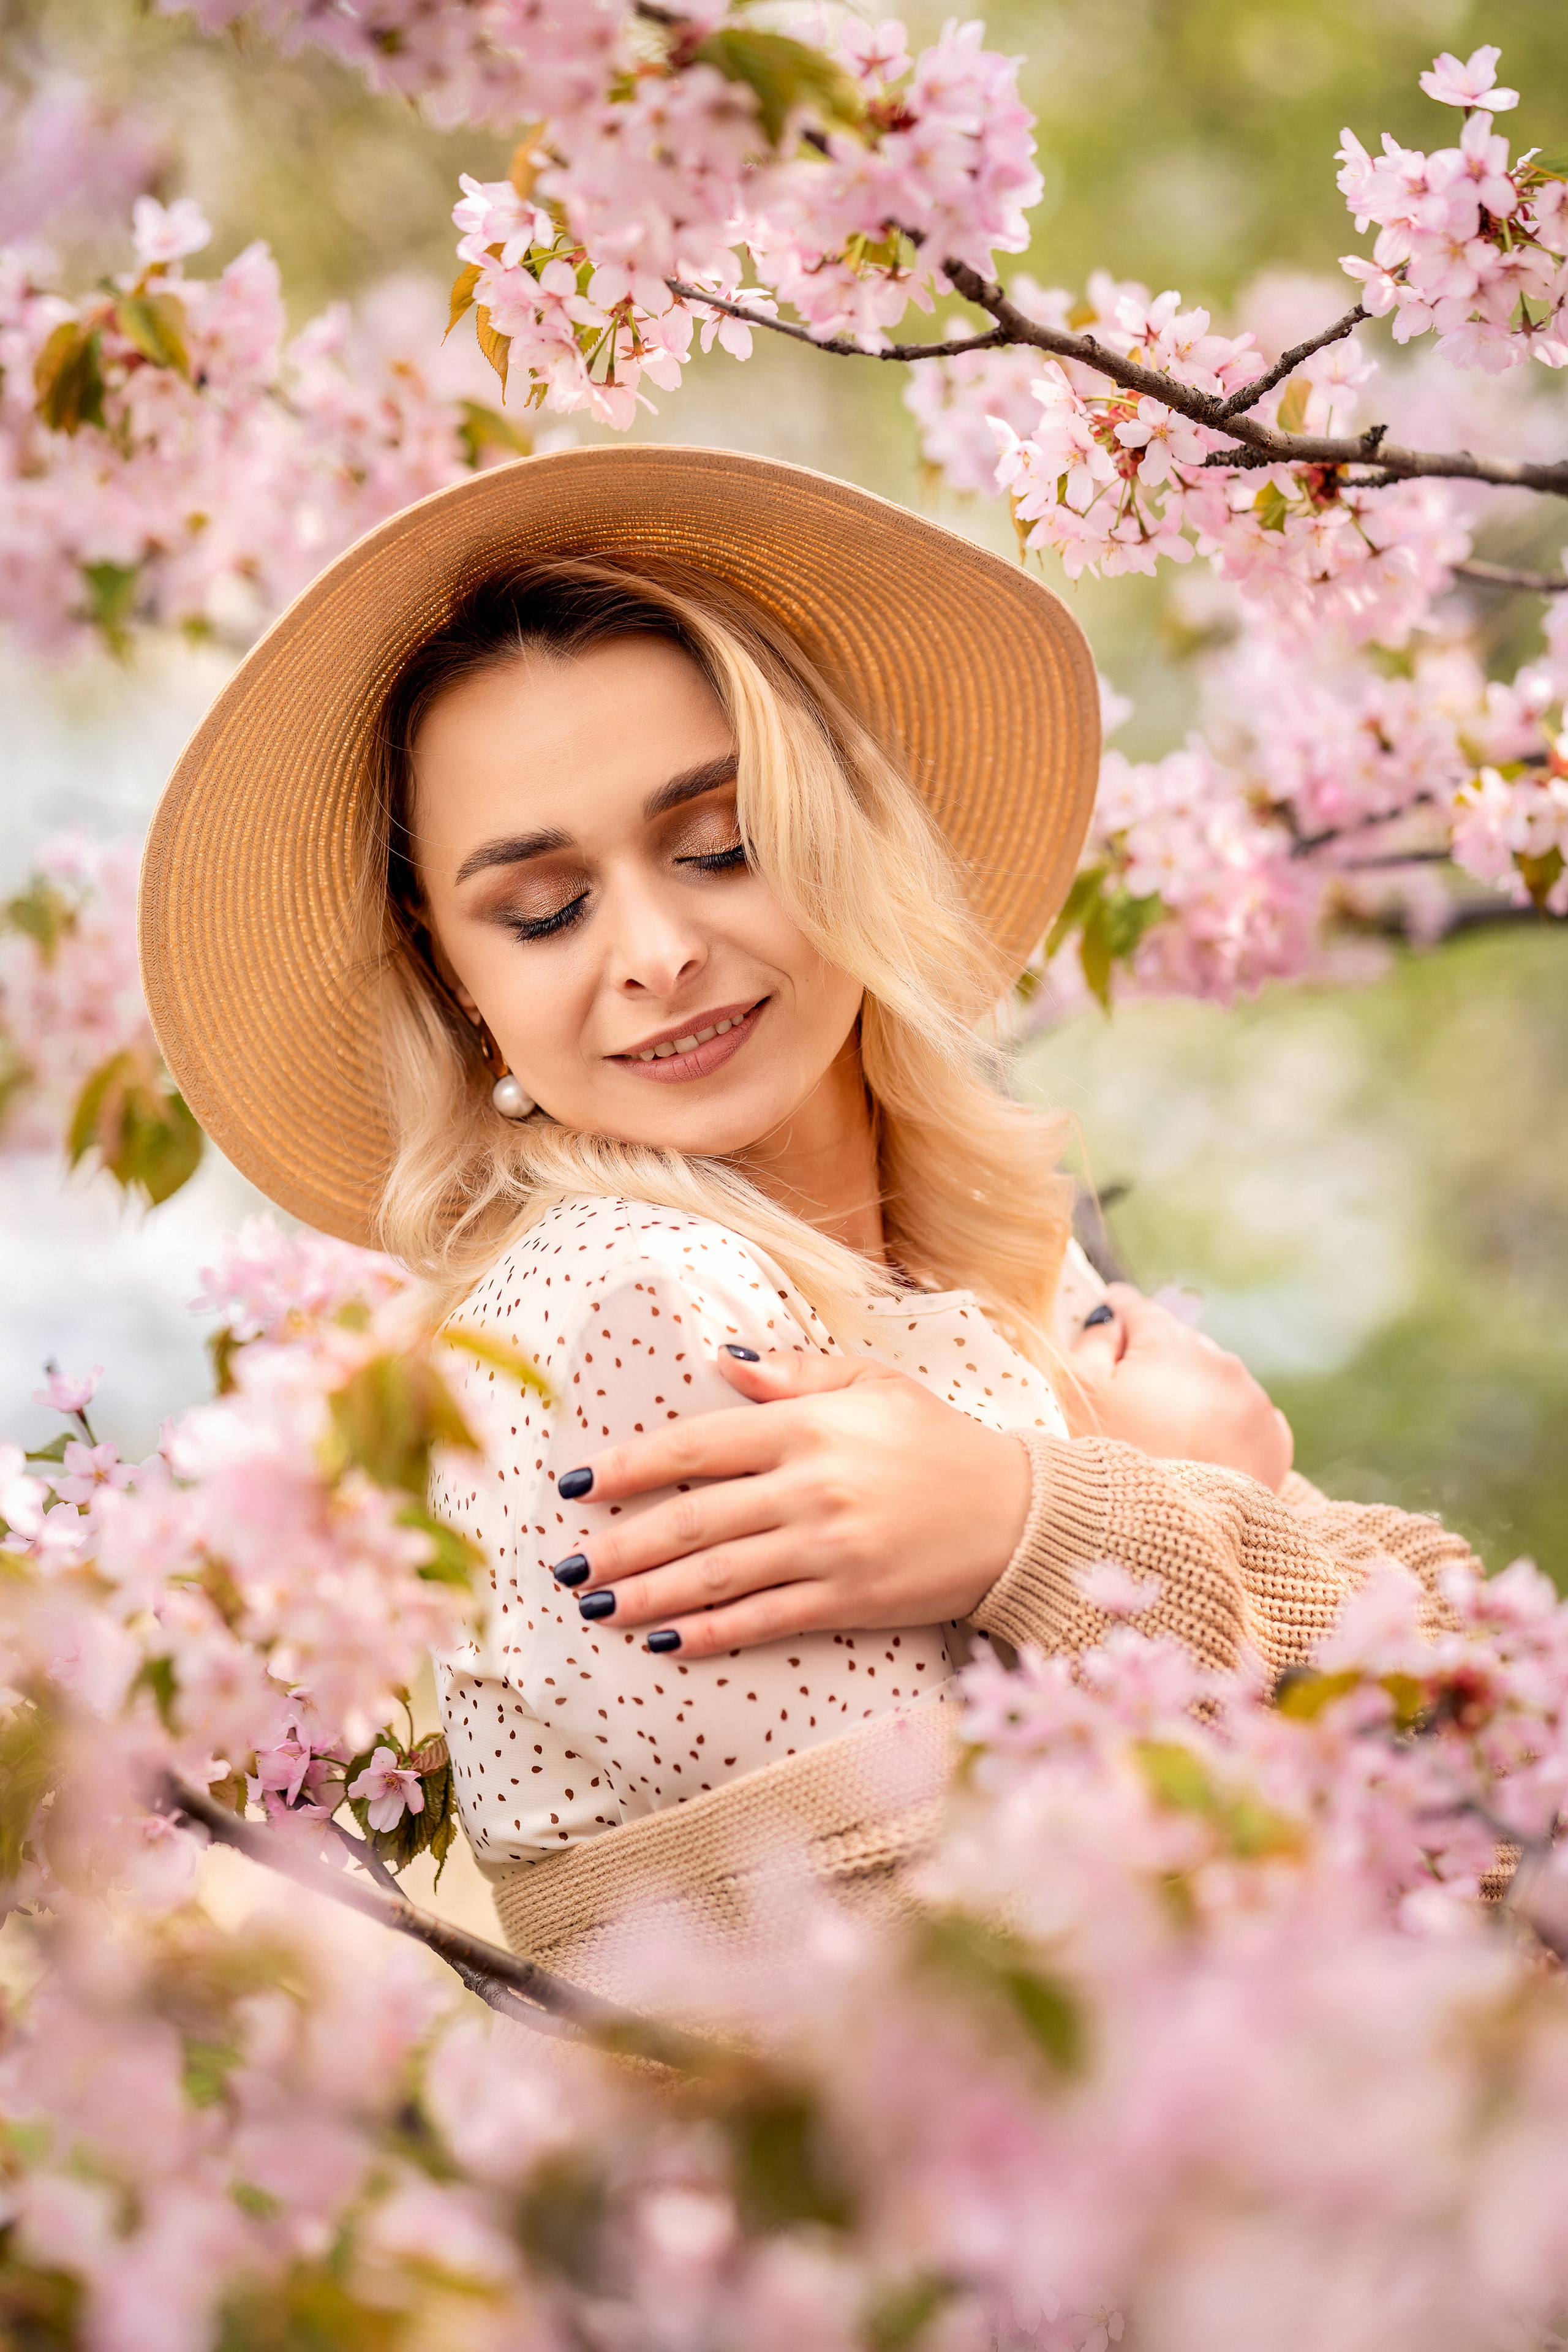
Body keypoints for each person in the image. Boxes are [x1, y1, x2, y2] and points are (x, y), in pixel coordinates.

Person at [141, 447, 1479, 2000]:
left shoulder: (994, 1289)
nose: (653, 951)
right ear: (457, 980)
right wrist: (1083, 1520)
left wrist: (1070, 1507)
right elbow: (1036, 2015)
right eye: (541, 908)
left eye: (717, 842)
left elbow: (1503, 1726)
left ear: (839, 825)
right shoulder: (628, 1304)